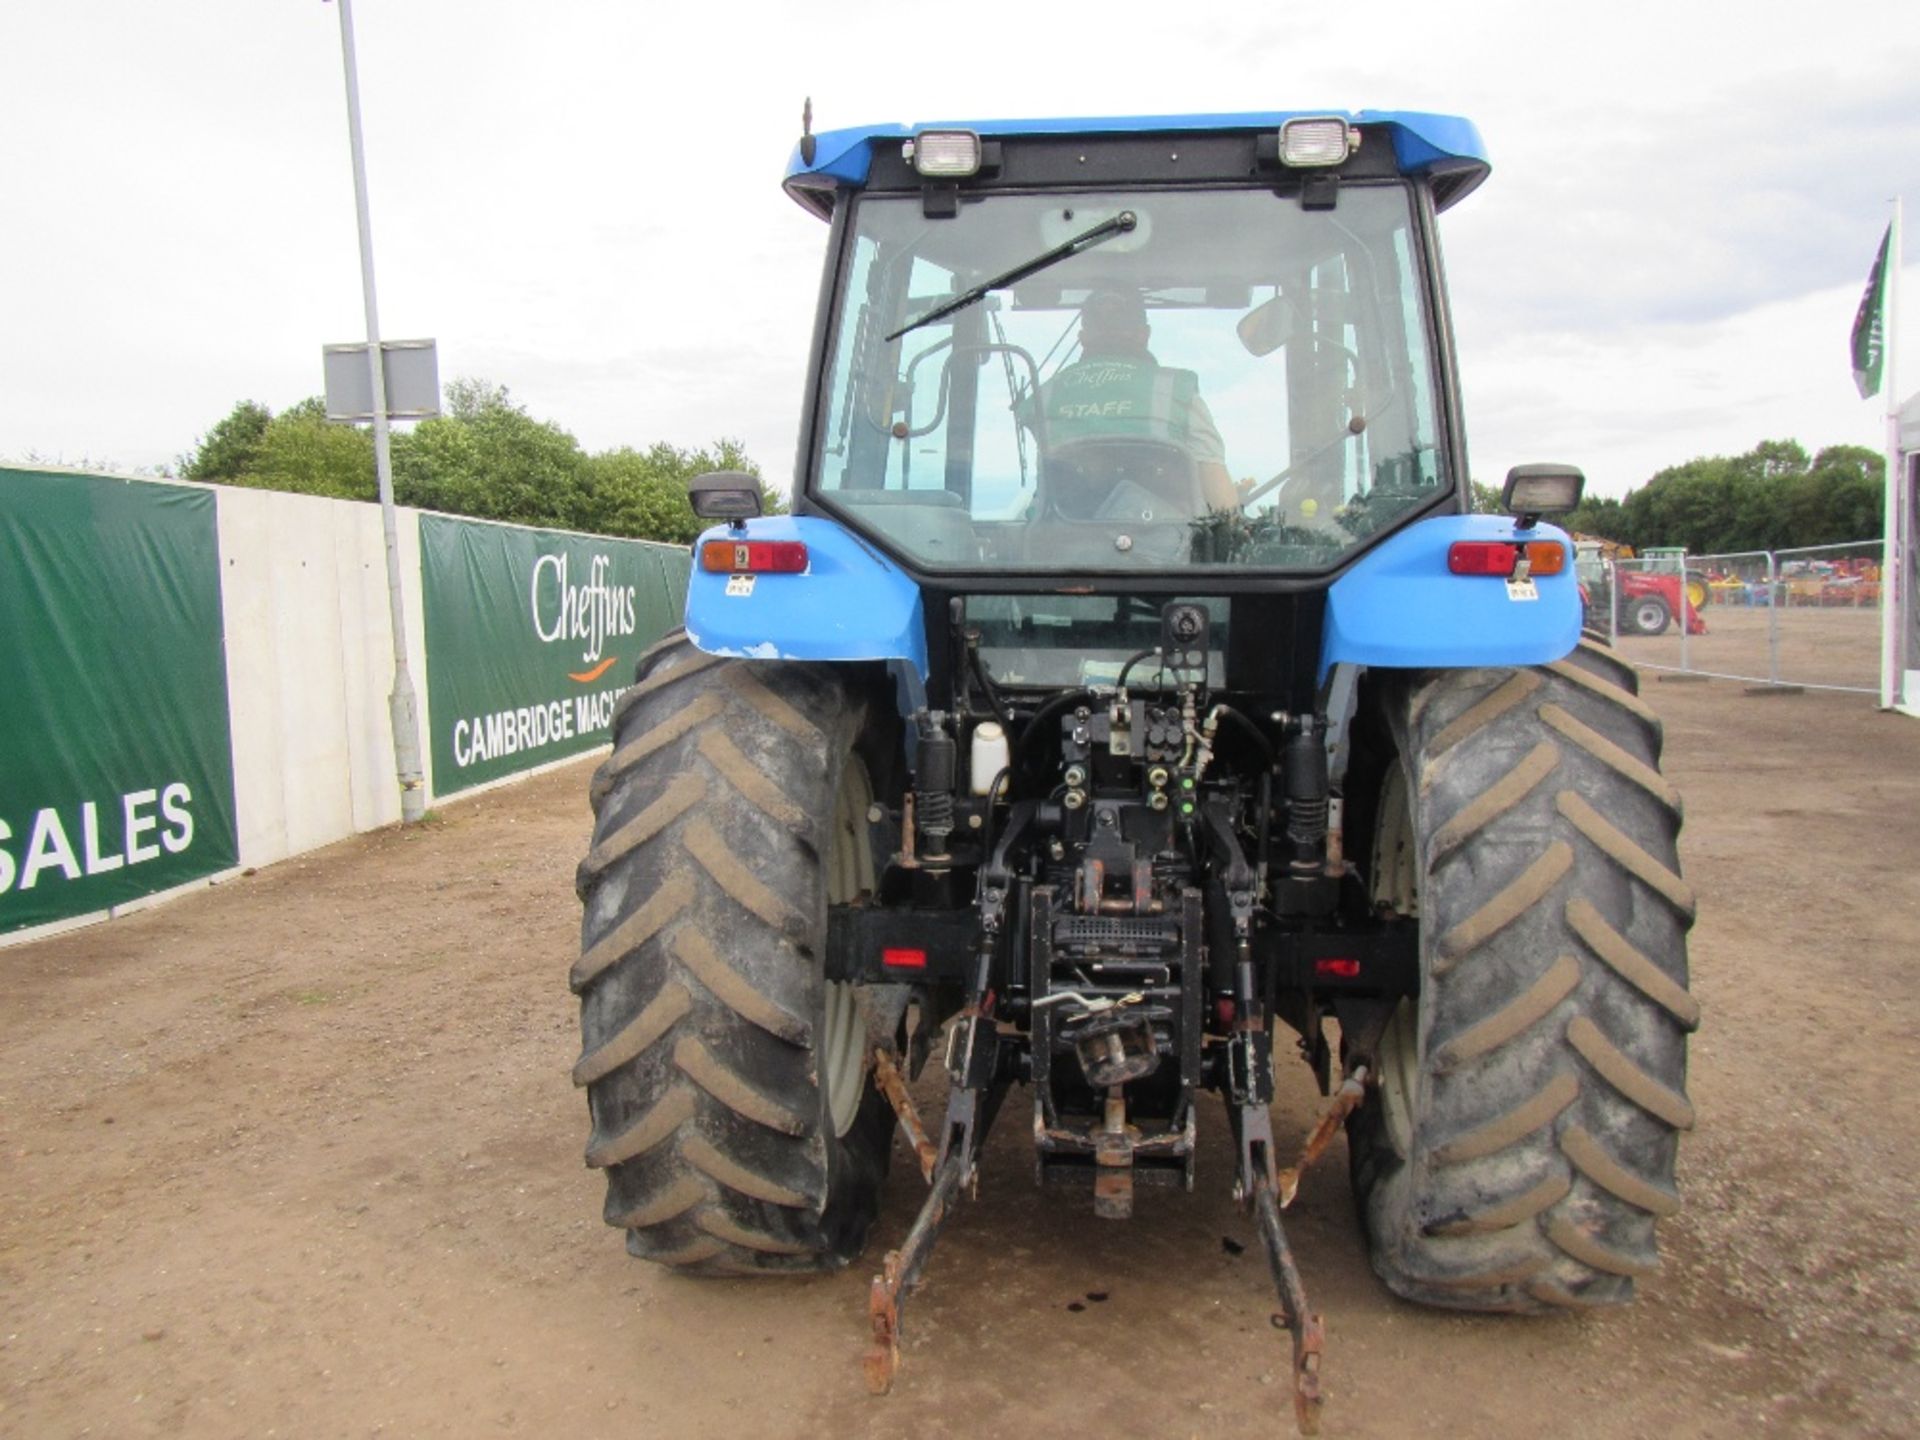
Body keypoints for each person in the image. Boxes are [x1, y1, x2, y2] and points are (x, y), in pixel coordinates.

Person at [1027, 290, 1239, 513]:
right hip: (1172, 544)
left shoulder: (1047, 395)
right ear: (1143, 335)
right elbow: (1218, 494)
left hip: (1062, 543)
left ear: (1083, 338)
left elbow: (1047, 484)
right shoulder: (1177, 391)